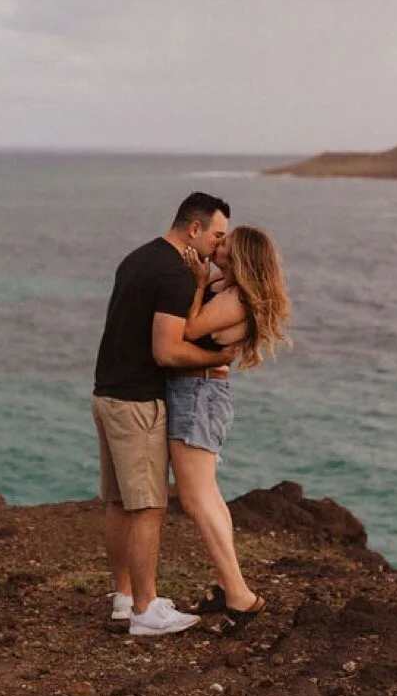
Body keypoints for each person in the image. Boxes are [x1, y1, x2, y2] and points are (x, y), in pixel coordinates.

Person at [92, 192, 236, 636]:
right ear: (194, 229)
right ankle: (145, 610)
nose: (219, 244)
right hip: (138, 402)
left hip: (107, 393)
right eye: (217, 235)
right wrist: (218, 358)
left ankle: (124, 598)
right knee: (149, 507)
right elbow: (168, 351)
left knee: (120, 502)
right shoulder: (174, 275)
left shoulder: (137, 258)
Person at [167, 225, 292, 635]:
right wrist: (205, 279)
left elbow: (188, 330)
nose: (218, 244)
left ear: (241, 257)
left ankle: (240, 596)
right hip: (202, 392)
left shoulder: (234, 296)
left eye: (226, 243)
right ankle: (226, 585)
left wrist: (198, 282)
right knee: (209, 495)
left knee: (195, 498)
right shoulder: (229, 287)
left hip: (198, 393)